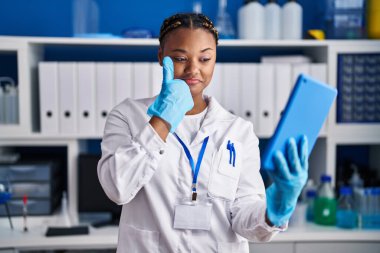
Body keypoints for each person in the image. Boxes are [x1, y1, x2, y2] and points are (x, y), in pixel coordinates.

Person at [97, 13, 308, 253]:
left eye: (205, 58)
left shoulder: (238, 131)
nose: (193, 69)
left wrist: (275, 211)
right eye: (179, 58)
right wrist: (162, 121)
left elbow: (244, 217)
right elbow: (117, 189)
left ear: (215, 60)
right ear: (160, 57)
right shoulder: (128, 116)